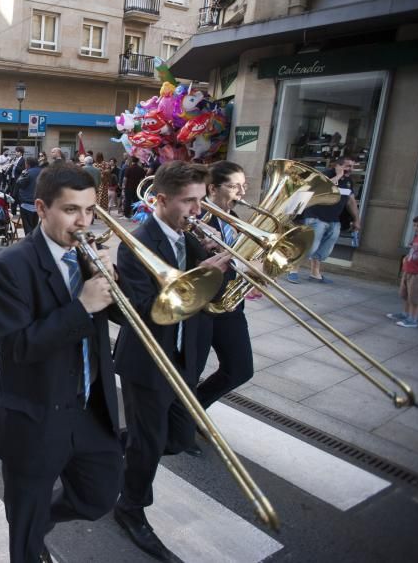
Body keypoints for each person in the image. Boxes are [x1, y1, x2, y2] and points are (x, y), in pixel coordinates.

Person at [0, 162, 123, 563]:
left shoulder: (85, 255)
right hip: (36, 412)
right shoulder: (9, 267)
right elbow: (17, 349)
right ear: (42, 209)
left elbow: (127, 314)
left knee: (98, 497)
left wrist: (114, 279)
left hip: (88, 407)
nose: (83, 221)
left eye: (91, 210)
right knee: (24, 542)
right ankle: (30, 531)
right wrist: (82, 306)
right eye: (71, 210)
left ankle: (38, 519)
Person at [113, 161, 231, 561]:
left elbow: (214, 297)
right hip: (148, 360)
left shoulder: (190, 236)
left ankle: (120, 442)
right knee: (149, 445)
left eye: (200, 200)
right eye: (189, 201)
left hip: (186, 356)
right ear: (161, 200)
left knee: (178, 439)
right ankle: (130, 508)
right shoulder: (135, 245)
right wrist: (197, 274)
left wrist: (224, 266)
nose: (197, 211)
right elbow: (146, 310)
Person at [194, 161, 255, 411]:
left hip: (229, 304)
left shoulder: (233, 217)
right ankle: (183, 424)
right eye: (234, 186)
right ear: (212, 189)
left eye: (244, 186)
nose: (242, 193)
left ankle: (193, 410)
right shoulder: (196, 217)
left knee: (240, 369)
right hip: (202, 307)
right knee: (188, 372)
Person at [287, 155, 361, 284]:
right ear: (337, 166)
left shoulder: (349, 181)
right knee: (310, 245)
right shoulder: (324, 175)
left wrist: (356, 219)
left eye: (353, 166)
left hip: (334, 219)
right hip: (316, 217)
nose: (351, 169)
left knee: (325, 248)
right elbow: (319, 189)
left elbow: (351, 201)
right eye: (348, 166)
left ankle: (315, 273)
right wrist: (338, 176)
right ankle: (293, 270)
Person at [388, 215, 418, 328]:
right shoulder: (416, 238)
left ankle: (413, 319)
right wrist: (405, 259)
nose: (416, 228)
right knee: (406, 294)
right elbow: (412, 251)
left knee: (415, 298)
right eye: (415, 226)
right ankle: (405, 313)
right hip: (408, 270)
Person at [15, 156, 42, 236]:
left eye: (25, 163)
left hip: (26, 202)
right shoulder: (43, 171)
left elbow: (19, 183)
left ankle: (30, 243)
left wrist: (22, 174)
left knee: (27, 226)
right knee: (35, 224)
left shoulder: (27, 172)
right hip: (38, 202)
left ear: (28, 164)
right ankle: (35, 241)